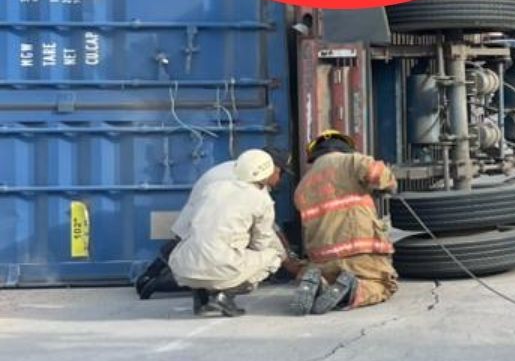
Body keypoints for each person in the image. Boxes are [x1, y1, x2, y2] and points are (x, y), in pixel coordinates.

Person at [136, 151, 299, 299]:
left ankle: (150, 278)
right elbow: (267, 231)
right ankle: (214, 293)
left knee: (190, 249)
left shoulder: (236, 168)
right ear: (270, 168)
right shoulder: (253, 185)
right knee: (219, 269)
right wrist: (287, 260)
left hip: (197, 218)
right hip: (216, 241)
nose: (280, 180)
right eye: (281, 173)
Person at [291, 131, 400, 315]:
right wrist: (389, 185)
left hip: (322, 261)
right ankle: (354, 289)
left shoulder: (302, 185)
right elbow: (378, 173)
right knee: (384, 284)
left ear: (314, 154)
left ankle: (322, 285)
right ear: (346, 148)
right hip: (360, 253)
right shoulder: (351, 161)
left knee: (334, 282)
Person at [169, 150, 286, 317]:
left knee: (201, 247)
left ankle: (201, 301)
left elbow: (186, 227)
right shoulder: (262, 200)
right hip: (221, 267)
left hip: (183, 269)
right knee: (274, 256)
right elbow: (260, 244)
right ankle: (224, 297)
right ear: (267, 173)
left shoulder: (213, 188)